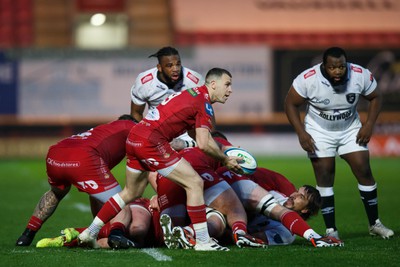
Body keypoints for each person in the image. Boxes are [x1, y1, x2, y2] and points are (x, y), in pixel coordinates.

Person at [78, 68, 243, 251]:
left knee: (130, 193)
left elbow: (195, 136)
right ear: (213, 84)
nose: (230, 90)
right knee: (195, 182)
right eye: (227, 84)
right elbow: (204, 144)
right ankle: (203, 241)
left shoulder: (192, 94)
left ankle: (90, 232)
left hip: (135, 137)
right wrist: (226, 160)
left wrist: (221, 151)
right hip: (151, 141)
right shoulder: (204, 103)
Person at [284, 46, 394, 239]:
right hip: (318, 131)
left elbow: (376, 97)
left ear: (347, 65)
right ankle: (331, 230)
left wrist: (369, 125)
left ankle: (375, 224)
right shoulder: (307, 79)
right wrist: (301, 133)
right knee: (325, 176)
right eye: (332, 68)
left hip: (350, 129)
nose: (337, 71)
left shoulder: (360, 75)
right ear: (323, 66)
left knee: (364, 169)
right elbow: (290, 103)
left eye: (341, 67)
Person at [15, 114, 138, 246]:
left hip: (56, 154)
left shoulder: (105, 130)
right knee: (122, 201)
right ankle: (116, 236)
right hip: (83, 156)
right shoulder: (132, 127)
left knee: (56, 193)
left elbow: (96, 195)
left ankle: (27, 235)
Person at [130, 46, 204, 150]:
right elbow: (136, 113)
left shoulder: (194, 81)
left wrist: (210, 136)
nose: (176, 69)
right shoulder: (144, 82)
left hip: (186, 134)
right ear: (159, 67)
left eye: (178, 64)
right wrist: (141, 137)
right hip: (155, 132)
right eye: (169, 66)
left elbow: (205, 112)